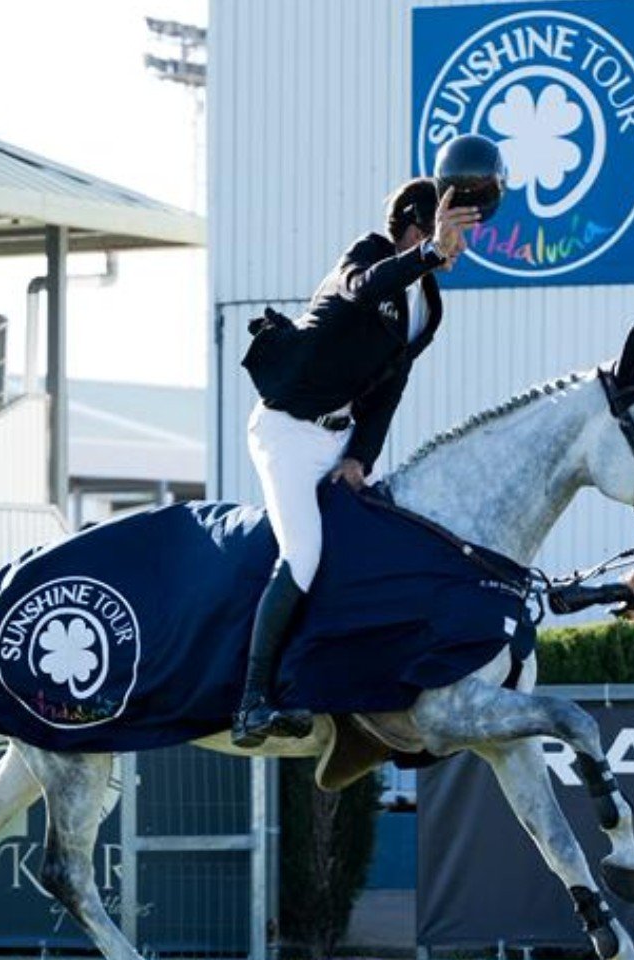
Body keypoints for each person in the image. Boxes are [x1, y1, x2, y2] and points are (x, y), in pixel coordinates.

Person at [230, 136, 503, 746]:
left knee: (370, 550)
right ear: (415, 224)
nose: (456, 245)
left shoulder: (426, 308)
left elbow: (389, 389)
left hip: (338, 442)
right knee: (301, 555)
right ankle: (251, 702)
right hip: (286, 433)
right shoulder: (370, 253)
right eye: (443, 228)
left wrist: (360, 458)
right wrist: (430, 251)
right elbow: (363, 288)